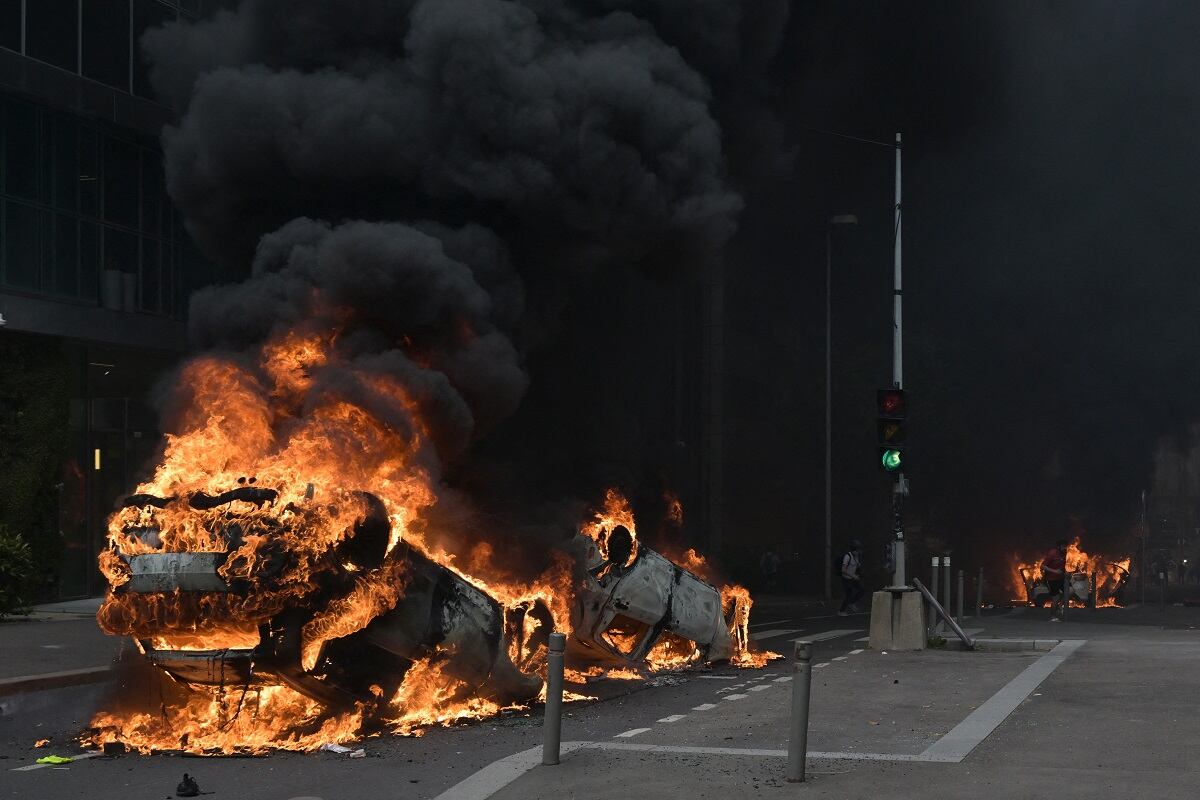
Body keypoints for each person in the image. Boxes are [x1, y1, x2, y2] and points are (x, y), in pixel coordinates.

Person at [1043, 538, 1068, 621]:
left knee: (1070, 591)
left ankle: (1060, 605)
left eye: (1066, 546)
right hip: (1051, 579)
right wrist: (1055, 571)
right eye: (1063, 546)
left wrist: (1066, 573)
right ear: (1058, 547)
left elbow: (1062, 565)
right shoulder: (1052, 553)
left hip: (1060, 578)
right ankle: (1052, 616)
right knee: (1055, 598)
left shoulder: (1064, 553)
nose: (1065, 548)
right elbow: (1042, 566)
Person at [838, 539, 864, 616]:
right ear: (854, 550)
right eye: (857, 550)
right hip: (846, 579)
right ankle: (841, 611)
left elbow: (857, 566)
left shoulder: (857, 557)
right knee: (848, 595)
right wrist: (853, 576)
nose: (859, 552)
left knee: (862, 590)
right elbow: (843, 570)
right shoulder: (847, 556)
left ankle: (852, 603)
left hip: (853, 578)